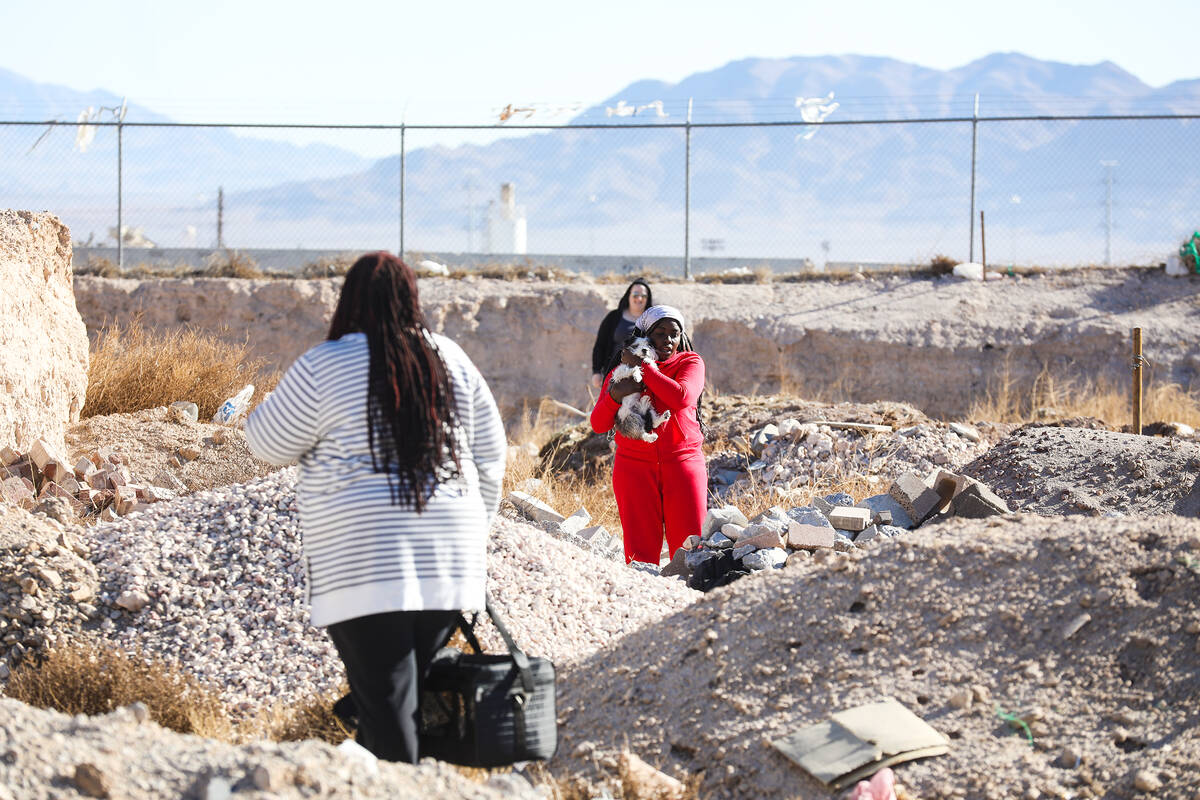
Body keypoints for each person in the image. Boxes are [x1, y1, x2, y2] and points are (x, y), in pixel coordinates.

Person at [244, 251, 505, 764]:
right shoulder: (449, 356)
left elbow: (264, 442)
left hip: (364, 559)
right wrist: (476, 530)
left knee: (388, 708)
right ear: (413, 298)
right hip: (450, 559)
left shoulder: (327, 363)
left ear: (349, 300)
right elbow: (491, 458)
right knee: (395, 699)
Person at [589, 305, 707, 564]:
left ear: (681, 337)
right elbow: (598, 424)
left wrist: (646, 368)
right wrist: (614, 396)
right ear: (644, 334)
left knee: (690, 551)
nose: (667, 340)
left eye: (674, 334)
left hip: (683, 465)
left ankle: (691, 601)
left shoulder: (690, 362)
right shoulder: (621, 369)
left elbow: (681, 397)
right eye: (659, 333)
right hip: (633, 469)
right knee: (639, 557)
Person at [590, 278, 653, 389]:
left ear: (648, 299)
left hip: (644, 379)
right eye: (635, 294)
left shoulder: (652, 320)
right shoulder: (614, 317)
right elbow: (600, 345)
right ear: (628, 296)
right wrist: (596, 371)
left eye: (643, 296)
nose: (639, 298)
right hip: (614, 376)